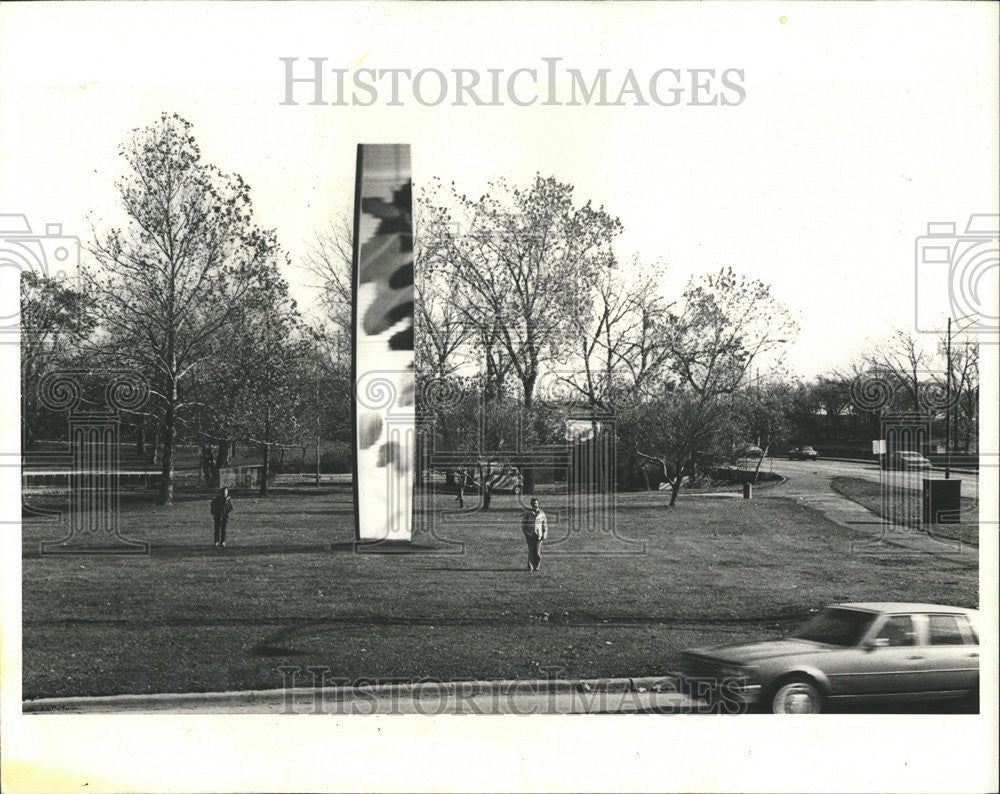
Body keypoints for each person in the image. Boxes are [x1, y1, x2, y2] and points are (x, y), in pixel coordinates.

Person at [521, 497, 547, 572]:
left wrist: (544, 534)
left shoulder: (542, 514)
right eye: (533, 504)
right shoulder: (528, 514)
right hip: (530, 535)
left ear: (538, 504)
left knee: (537, 552)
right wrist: (526, 533)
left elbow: (544, 525)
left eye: (536, 503)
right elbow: (524, 525)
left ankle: (537, 567)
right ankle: (530, 567)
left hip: (539, 536)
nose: (534, 505)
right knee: (531, 551)